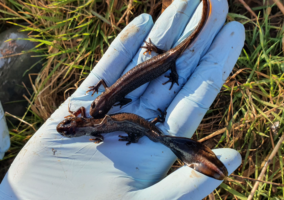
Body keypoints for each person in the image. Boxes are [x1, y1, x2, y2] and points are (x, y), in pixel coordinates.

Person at [0, 0, 245, 199]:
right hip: (142, 123)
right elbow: (103, 128)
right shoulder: (93, 124)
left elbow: (103, 128)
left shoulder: (96, 124)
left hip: (145, 113)